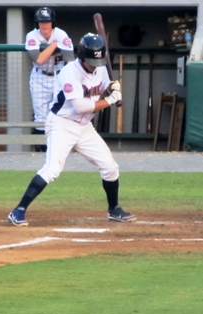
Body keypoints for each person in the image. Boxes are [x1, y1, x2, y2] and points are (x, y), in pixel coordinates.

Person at [8, 33, 136, 227]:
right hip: (62, 124)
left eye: (97, 60)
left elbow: (102, 88)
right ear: (82, 57)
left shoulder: (100, 69)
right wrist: (111, 99)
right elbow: (81, 106)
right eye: (92, 60)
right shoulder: (69, 72)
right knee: (53, 169)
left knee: (110, 167)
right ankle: (18, 210)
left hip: (84, 127)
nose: (95, 64)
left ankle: (114, 209)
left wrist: (111, 87)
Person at [25, 7, 75, 152]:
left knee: (59, 112)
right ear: (37, 23)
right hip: (40, 76)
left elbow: (70, 61)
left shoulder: (61, 34)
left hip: (58, 75)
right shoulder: (32, 35)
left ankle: (57, 147)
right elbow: (39, 60)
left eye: (47, 21)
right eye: (41, 21)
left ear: (52, 22)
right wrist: (54, 45)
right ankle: (42, 148)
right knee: (40, 115)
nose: (44, 24)